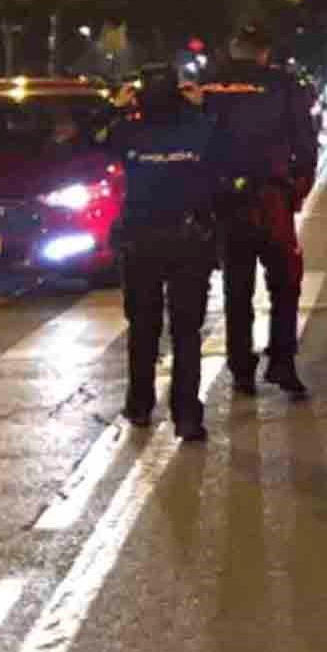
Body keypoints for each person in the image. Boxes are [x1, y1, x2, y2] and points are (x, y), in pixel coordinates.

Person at [199, 20, 318, 401]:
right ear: (265, 52)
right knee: (285, 283)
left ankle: (241, 369)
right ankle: (282, 362)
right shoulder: (284, 86)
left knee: (238, 287)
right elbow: (306, 146)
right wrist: (296, 191)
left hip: (226, 201)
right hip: (271, 199)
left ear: (234, 48)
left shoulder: (208, 86)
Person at [111, 64, 223, 441]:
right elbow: (225, 158)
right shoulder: (201, 129)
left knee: (143, 326)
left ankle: (140, 406)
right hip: (189, 239)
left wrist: (118, 109)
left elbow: (92, 146)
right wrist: (201, 107)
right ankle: (187, 416)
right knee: (187, 331)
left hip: (141, 241)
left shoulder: (128, 130)